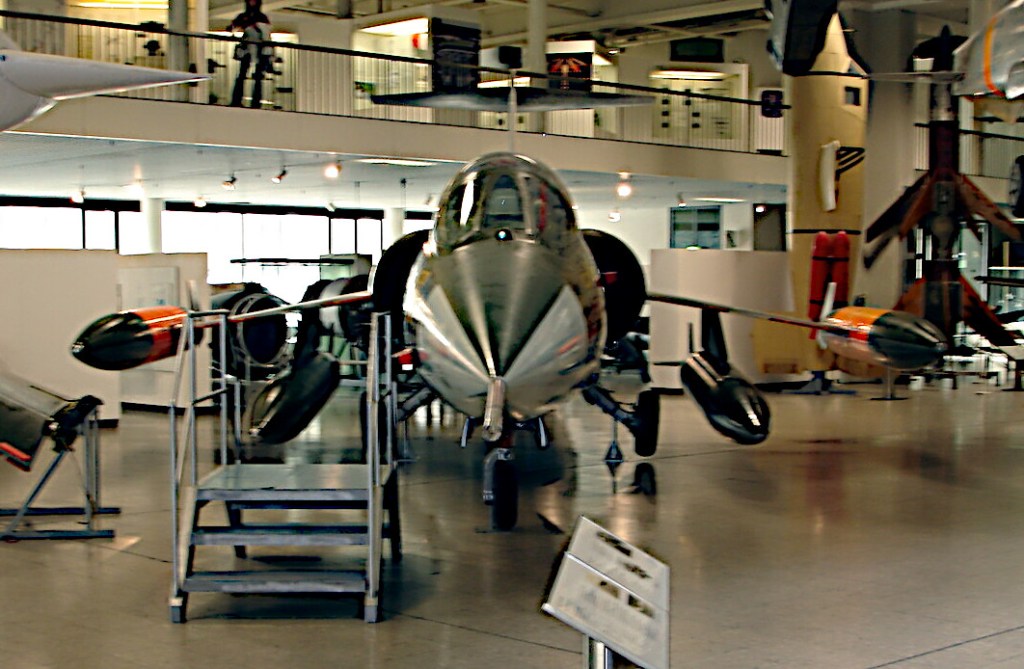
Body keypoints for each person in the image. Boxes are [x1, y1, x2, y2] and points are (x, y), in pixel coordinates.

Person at [227, 0, 272, 108]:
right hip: (249, 49)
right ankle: (237, 100)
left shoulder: (260, 17)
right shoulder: (245, 16)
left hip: (258, 49)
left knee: (257, 77)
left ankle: (255, 101)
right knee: (242, 75)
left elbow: (264, 32)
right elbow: (232, 27)